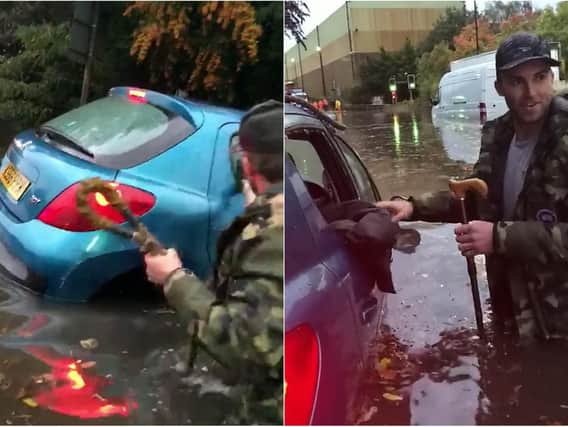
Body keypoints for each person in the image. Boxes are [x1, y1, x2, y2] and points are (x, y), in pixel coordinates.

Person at [376, 32, 568, 343]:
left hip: (560, 323)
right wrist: (413, 206)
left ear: (552, 77)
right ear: (499, 87)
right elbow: (478, 201)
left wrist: (498, 237)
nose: (531, 92)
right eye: (517, 81)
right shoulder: (497, 135)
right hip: (512, 309)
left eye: (540, 77)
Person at [143, 100, 283, 424]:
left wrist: (174, 279)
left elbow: (244, 346)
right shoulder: (272, 219)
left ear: (246, 167)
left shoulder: (272, 234)